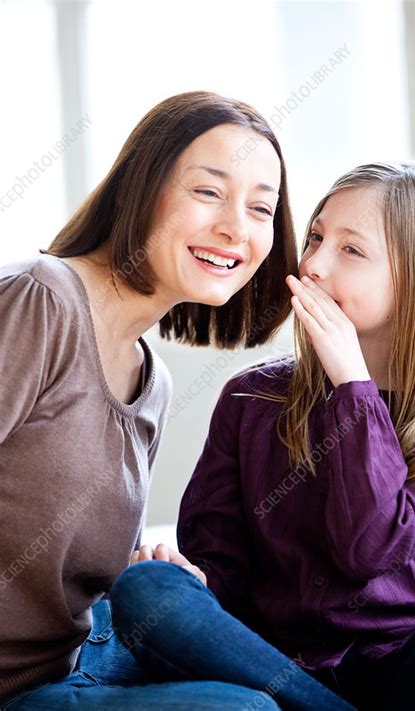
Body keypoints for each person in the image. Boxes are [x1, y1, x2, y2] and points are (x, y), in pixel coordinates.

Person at [111, 161, 415, 711]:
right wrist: (195, 579)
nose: (313, 265)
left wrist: (352, 383)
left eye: (351, 250)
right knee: (147, 589)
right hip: (272, 665)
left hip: (410, 670)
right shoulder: (251, 398)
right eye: (316, 237)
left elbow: (368, 547)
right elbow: (221, 572)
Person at [0, 90, 301, 710]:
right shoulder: (42, 300)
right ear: (142, 185)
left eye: (261, 207)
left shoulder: (151, 377)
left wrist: (144, 562)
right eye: (208, 192)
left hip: (87, 657)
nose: (236, 228)